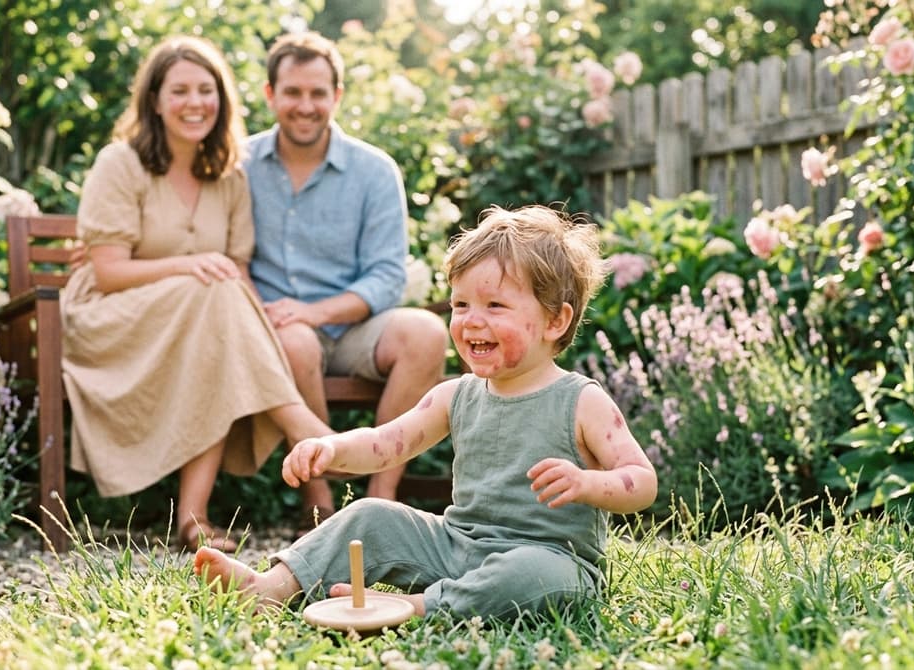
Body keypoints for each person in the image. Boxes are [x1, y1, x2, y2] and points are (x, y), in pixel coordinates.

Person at [194, 205, 659, 621]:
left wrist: (588, 484)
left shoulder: (580, 400)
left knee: (530, 572)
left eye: (494, 305)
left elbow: (642, 481)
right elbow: (384, 444)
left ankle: (422, 606)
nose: (471, 320)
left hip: (552, 559)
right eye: (460, 305)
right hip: (457, 547)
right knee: (371, 513)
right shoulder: (456, 395)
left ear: (555, 320)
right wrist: (330, 446)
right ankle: (270, 588)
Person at [60, 36, 332, 552]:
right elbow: (110, 272)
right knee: (212, 295)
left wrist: (251, 326)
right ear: (155, 100)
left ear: (222, 100)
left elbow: (238, 274)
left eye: (206, 90)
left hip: (193, 323)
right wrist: (190, 265)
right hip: (110, 323)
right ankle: (303, 426)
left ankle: (193, 518)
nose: (195, 103)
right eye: (180, 90)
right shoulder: (120, 163)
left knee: (216, 324)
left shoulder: (228, 176)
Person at [244, 31, 448, 531]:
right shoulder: (240, 165)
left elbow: (386, 275)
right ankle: (320, 506)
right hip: (276, 331)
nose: (306, 105)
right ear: (270, 95)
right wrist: (281, 316)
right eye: (293, 92)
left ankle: (380, 500)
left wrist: (318, 311)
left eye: (318, 93)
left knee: (426, 333)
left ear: (337, 96)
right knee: (293, 341)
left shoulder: (375, 170)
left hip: (356, 327)